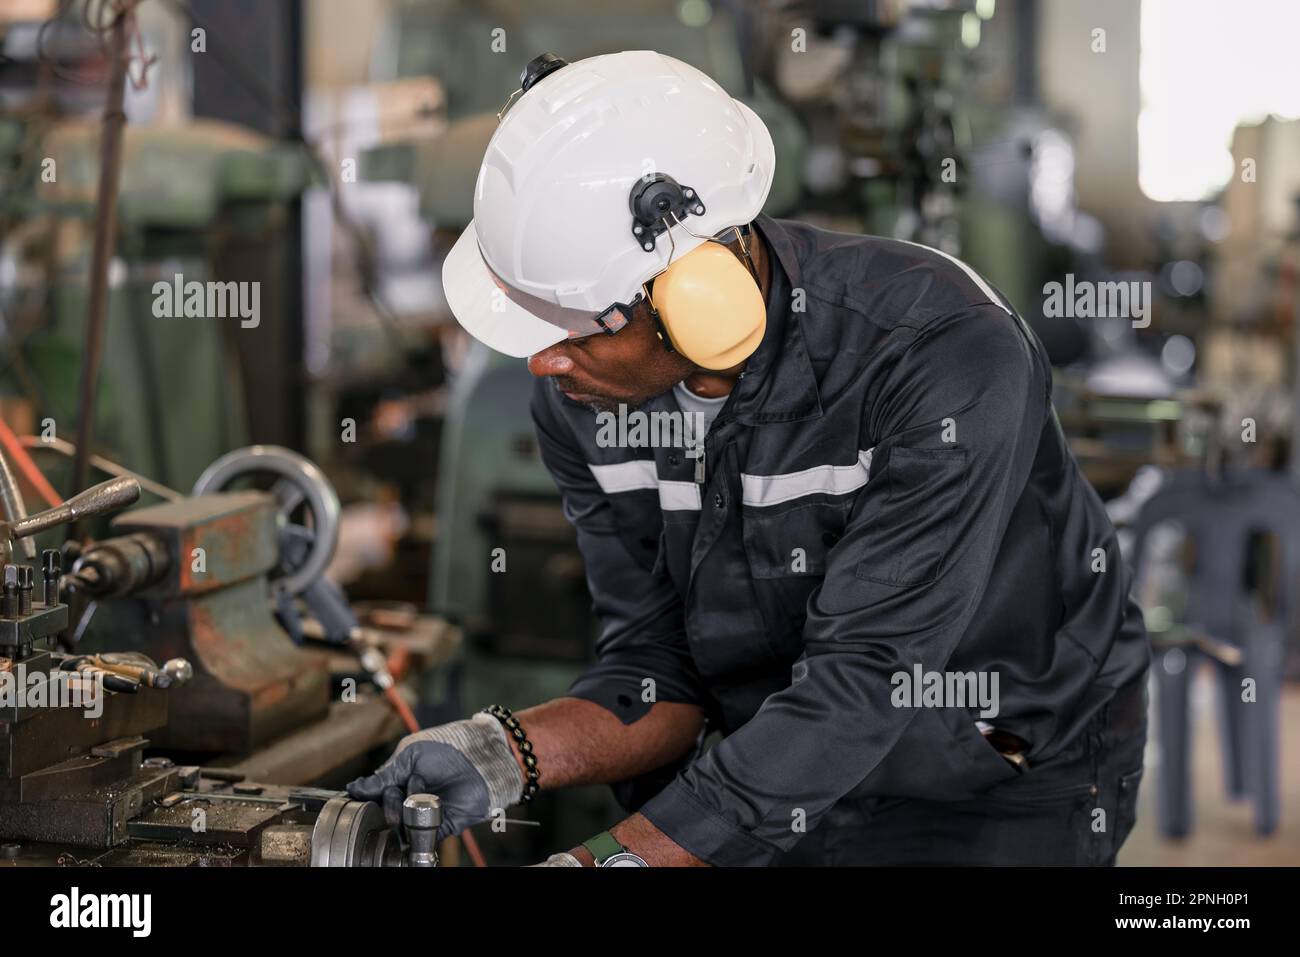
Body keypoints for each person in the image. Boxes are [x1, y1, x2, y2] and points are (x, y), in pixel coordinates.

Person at [348, 49, 1150, 867]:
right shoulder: (583, 401)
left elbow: (863, 684)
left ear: (700, 301)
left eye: (570, 325)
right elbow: (659, 668)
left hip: (998, 775)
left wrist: (609, 863)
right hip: (778, 760)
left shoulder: (939, 353)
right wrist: (502, 752)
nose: (542, 363)